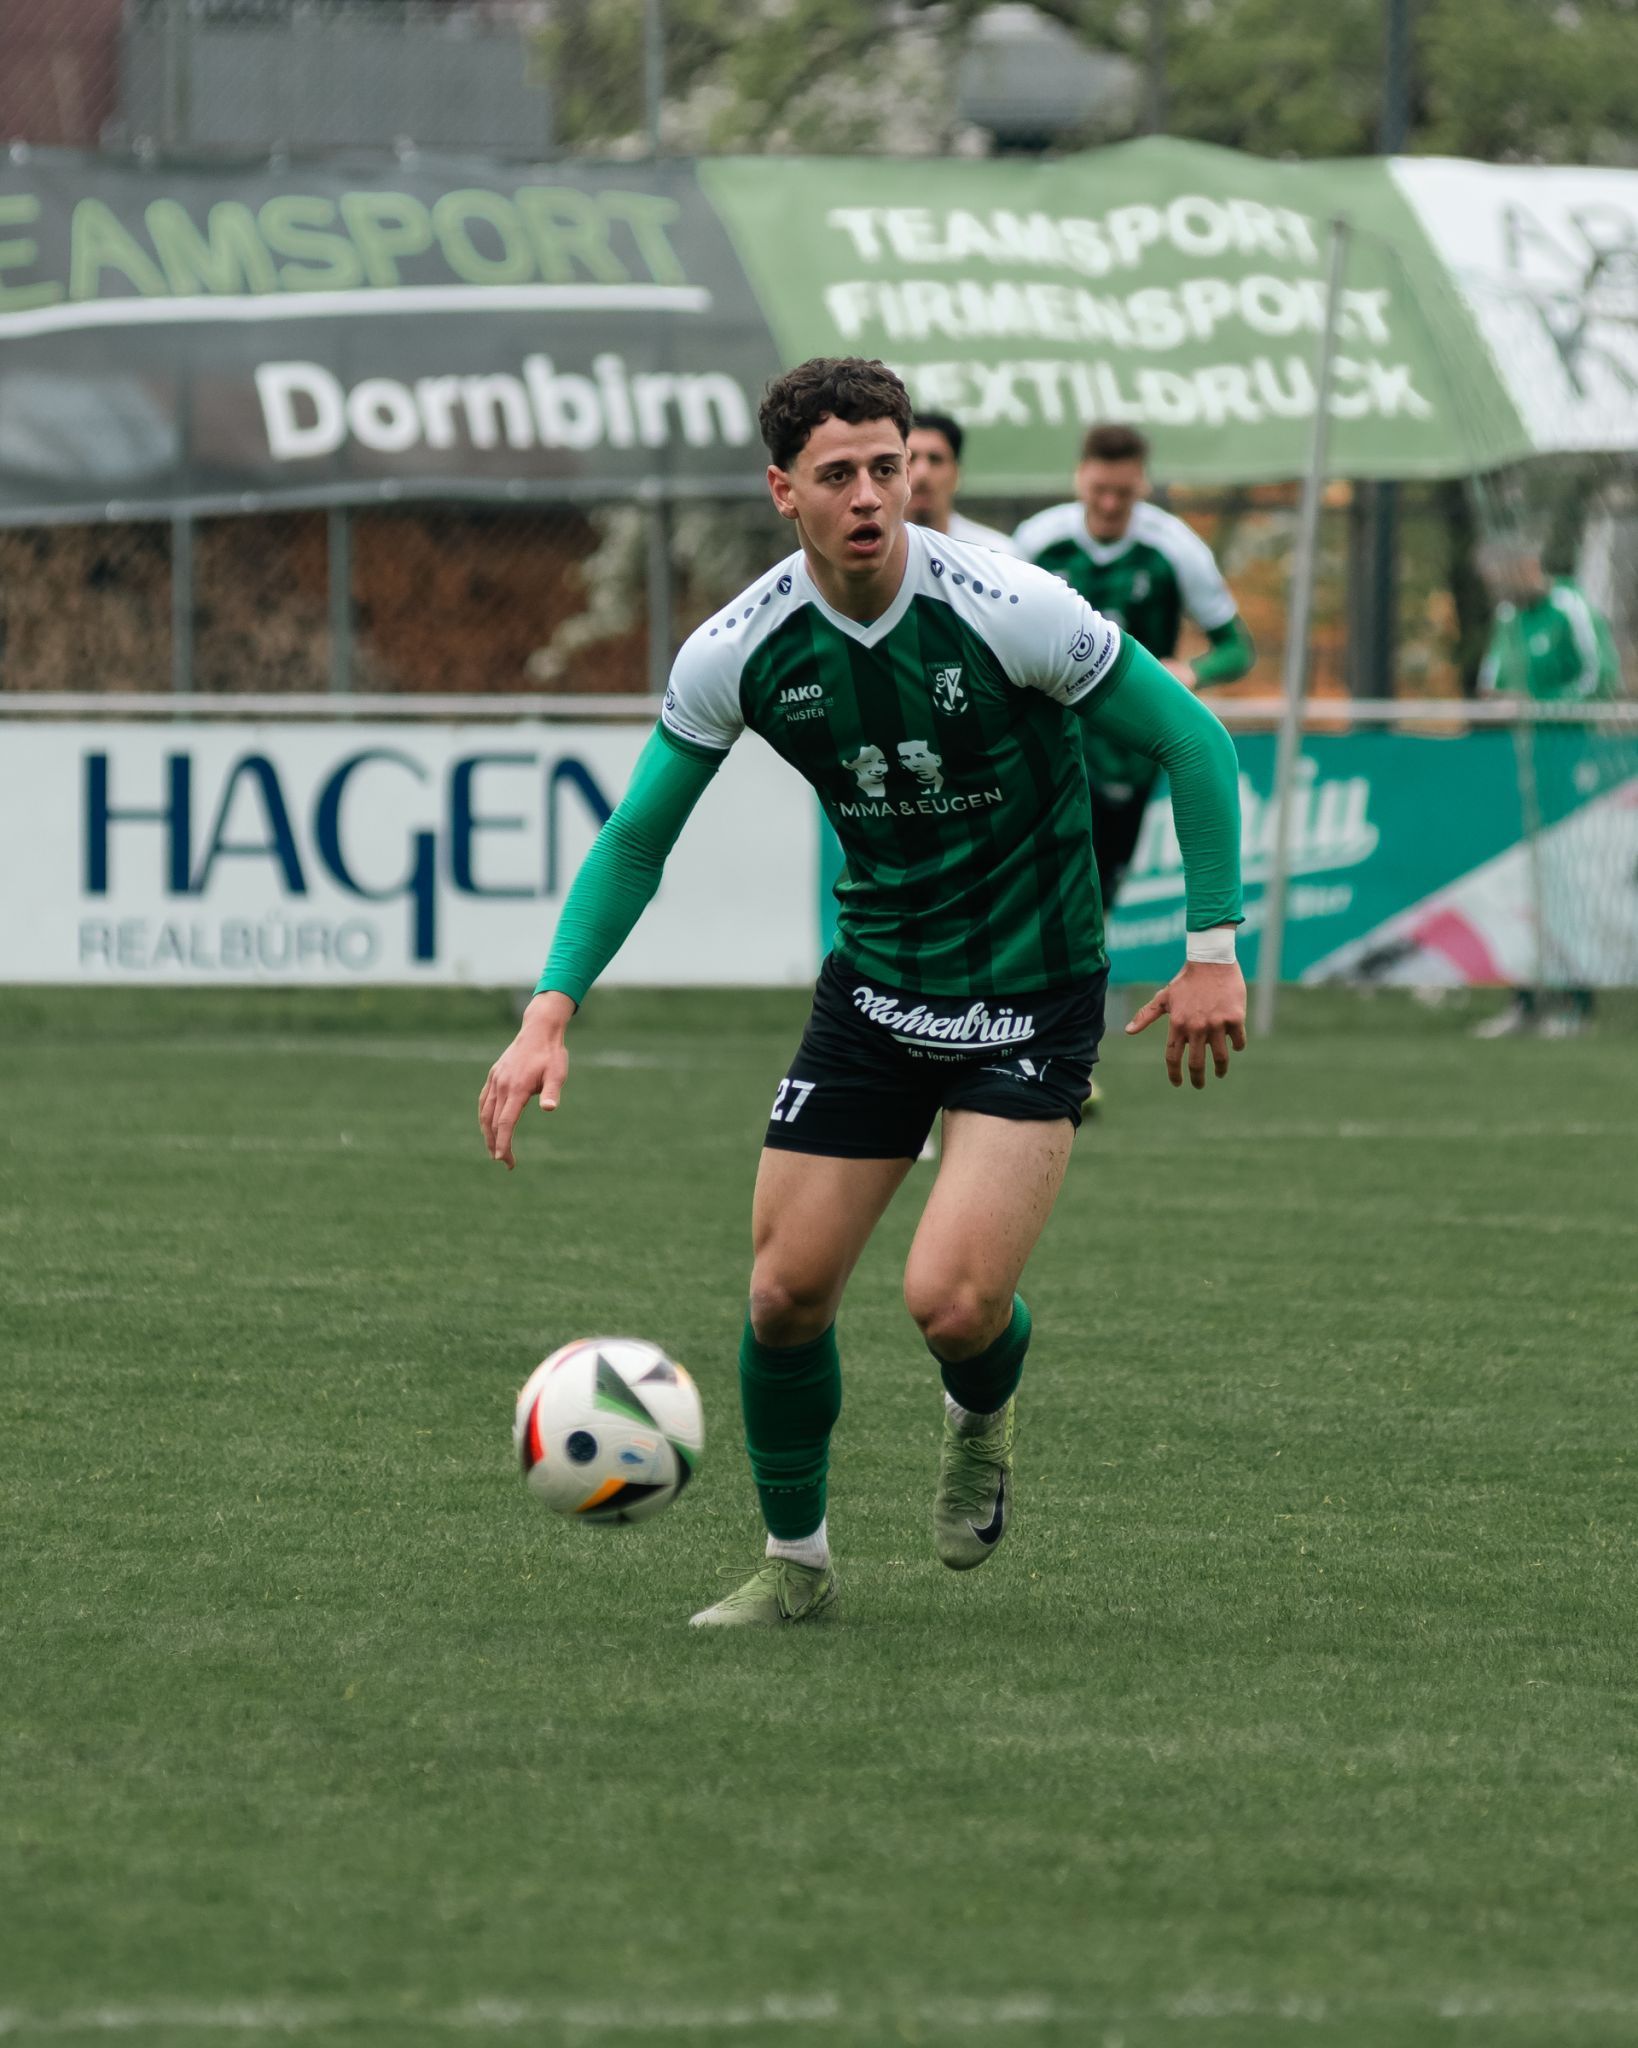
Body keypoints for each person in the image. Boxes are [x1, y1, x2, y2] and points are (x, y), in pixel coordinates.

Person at [479, 358, 1246, 1629]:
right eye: (837, 474)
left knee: (950, 1302)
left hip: (1032, 990)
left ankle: (980, 1410)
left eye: (887, 467)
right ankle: (798, 1563)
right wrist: (549, 1005)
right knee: (783, 1295)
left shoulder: (1012, 605)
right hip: (877, 993)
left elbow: (1195, 739)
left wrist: (1212, 947)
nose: (871, 495)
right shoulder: (740, 648)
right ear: (784, 490)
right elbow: (633, 844)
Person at [1013, 422, 1255, 930]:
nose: (1108, 504)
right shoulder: (1037, 543)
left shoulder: (1175, 548)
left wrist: (1191, 672)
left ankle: (1076, 1001)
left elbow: (1237, 649)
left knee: (1094, 901)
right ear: (1079, 479)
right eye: (1099, 490)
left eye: (1122, 493)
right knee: (1031, 888)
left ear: (1142, 485)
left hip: (1128, 749)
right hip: (1047, 741)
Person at [1473, 539, 1624, 1038]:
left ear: (1527, 566)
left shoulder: (1570, 607)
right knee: (1519, 884)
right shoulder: (1507, 616)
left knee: (1568, 884)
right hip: (1518, 766)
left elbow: (1600, 680)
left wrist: (1532, 702)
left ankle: (1575, 1003)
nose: (1500, 589)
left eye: (1504, 577)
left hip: (1569, 763)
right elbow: (1491, 682)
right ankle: (1526, 1000)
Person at [907, 413, 1017, 554]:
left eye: (935, 459)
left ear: (957, 474)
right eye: (911, 458)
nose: (923, 473)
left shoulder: (996, 553)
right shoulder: (873, 552)